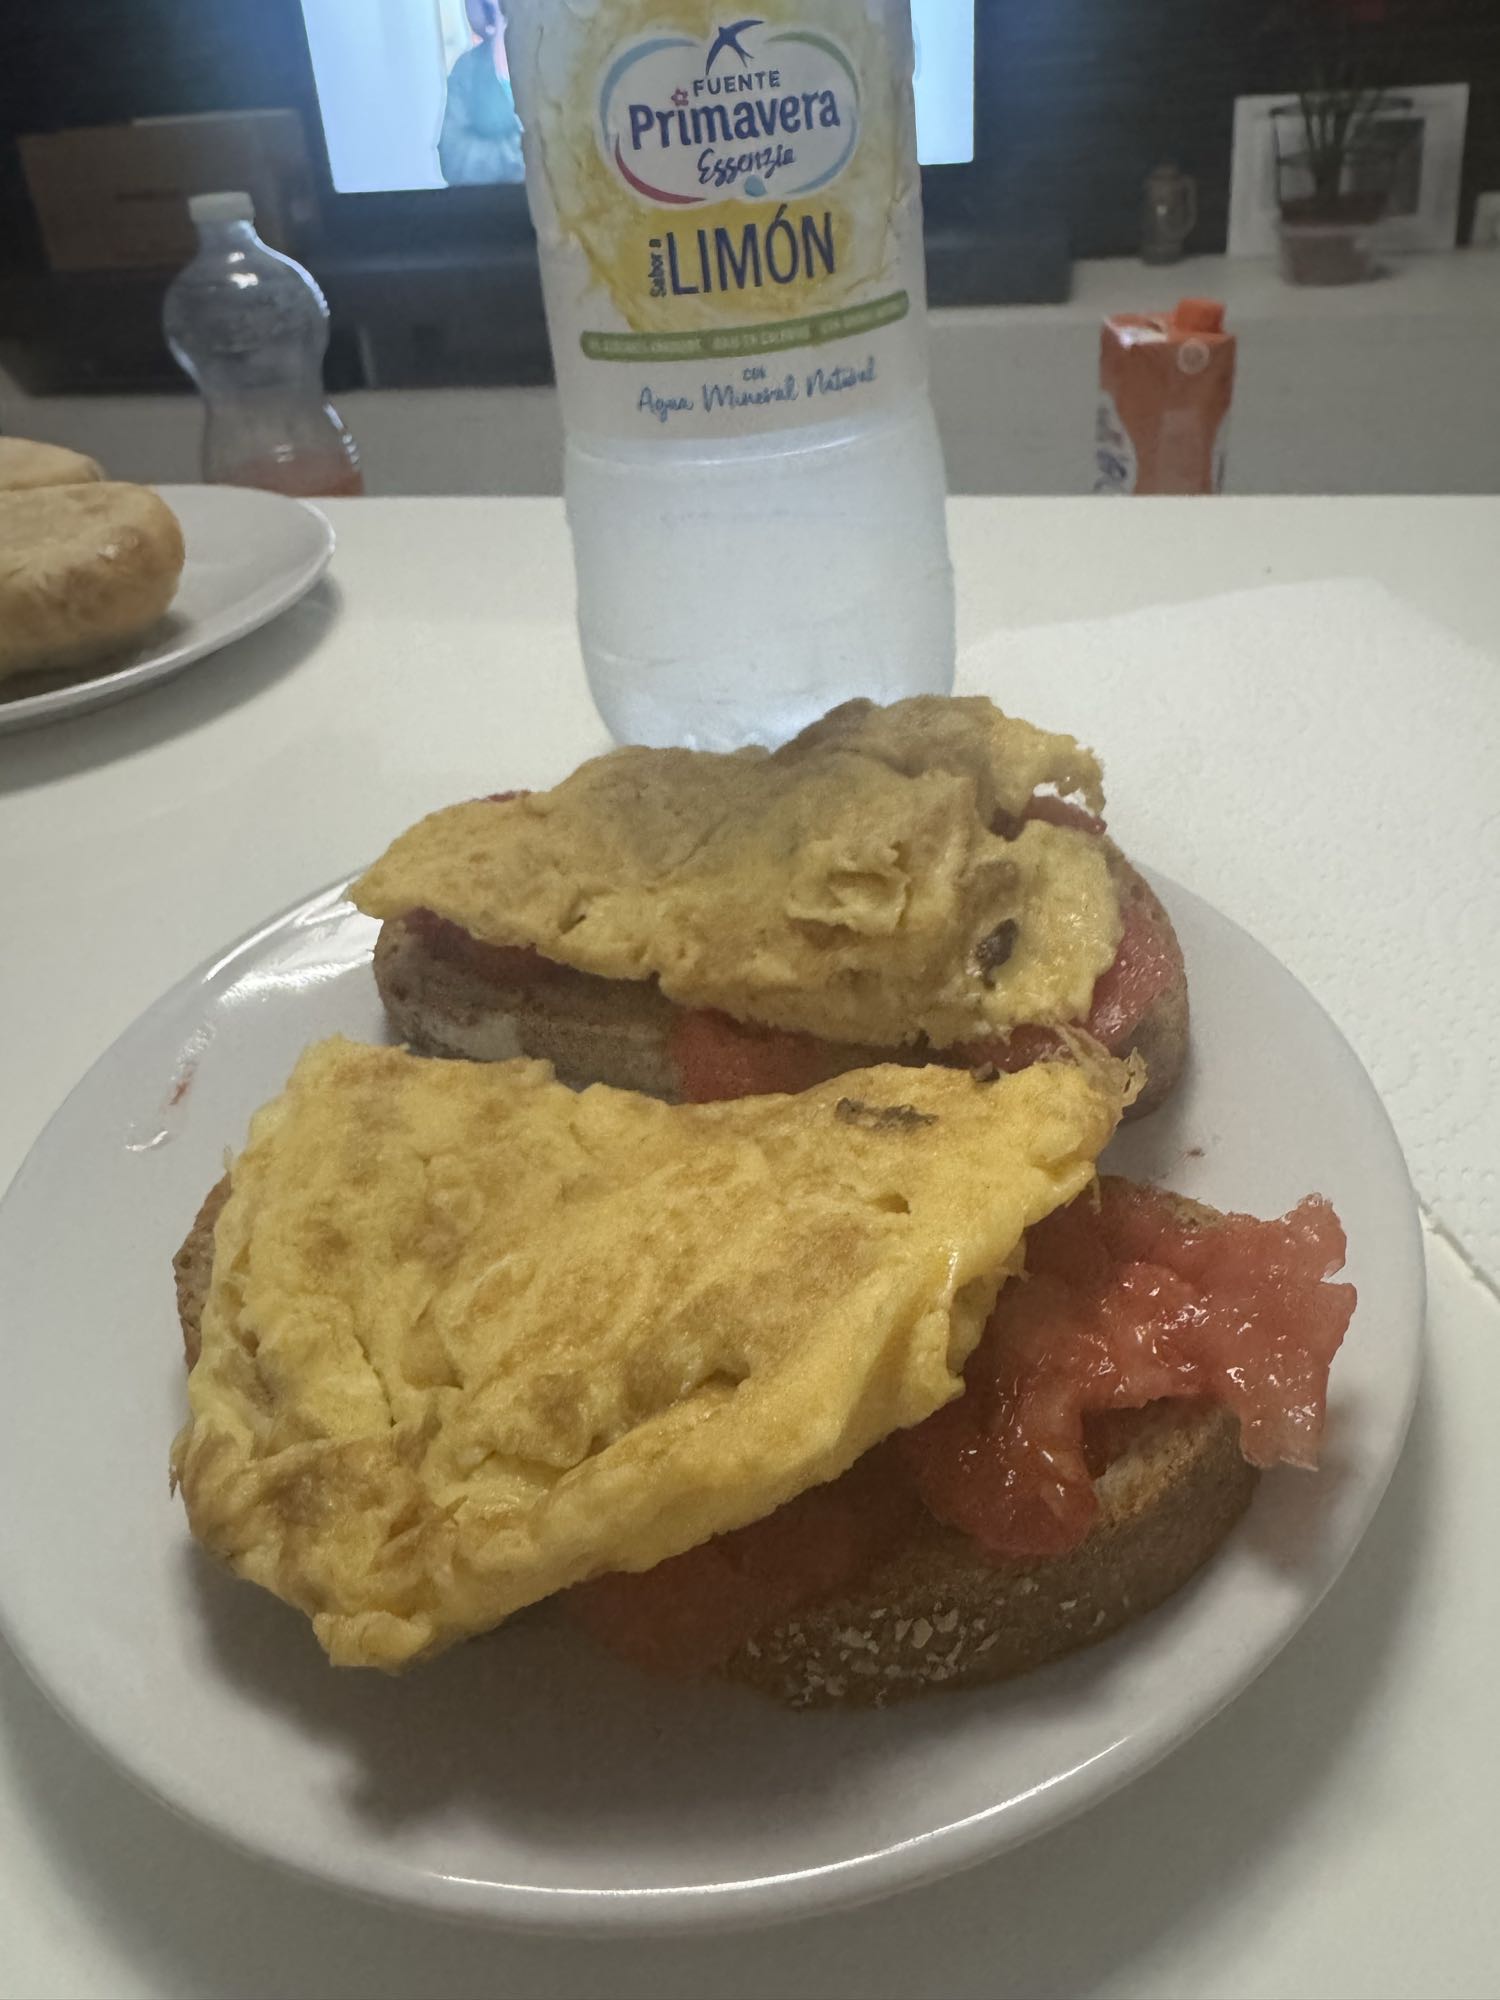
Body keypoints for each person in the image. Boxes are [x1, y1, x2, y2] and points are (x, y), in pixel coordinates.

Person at [438, 0, 524, 186]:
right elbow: (452, 157)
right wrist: (517, 153)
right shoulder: (467, 69)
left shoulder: (559, 63)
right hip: (485, 209)